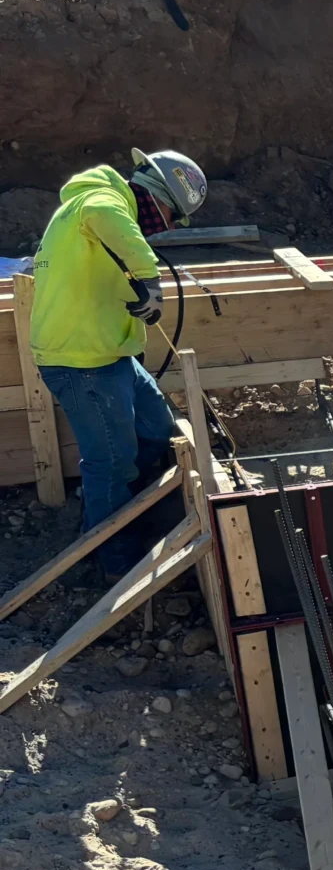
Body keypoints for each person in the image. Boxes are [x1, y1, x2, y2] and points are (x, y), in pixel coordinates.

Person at [27, 150, 204, 573]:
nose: (169, 225)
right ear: (155, 195)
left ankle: (124, 511)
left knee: (156, 429)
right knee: (110, 460)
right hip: (81, 361)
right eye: (170, 215)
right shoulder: (101, 201)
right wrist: (150, 278)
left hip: (109, 354)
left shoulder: (104, 217)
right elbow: (107, 217)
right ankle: (112, 559)